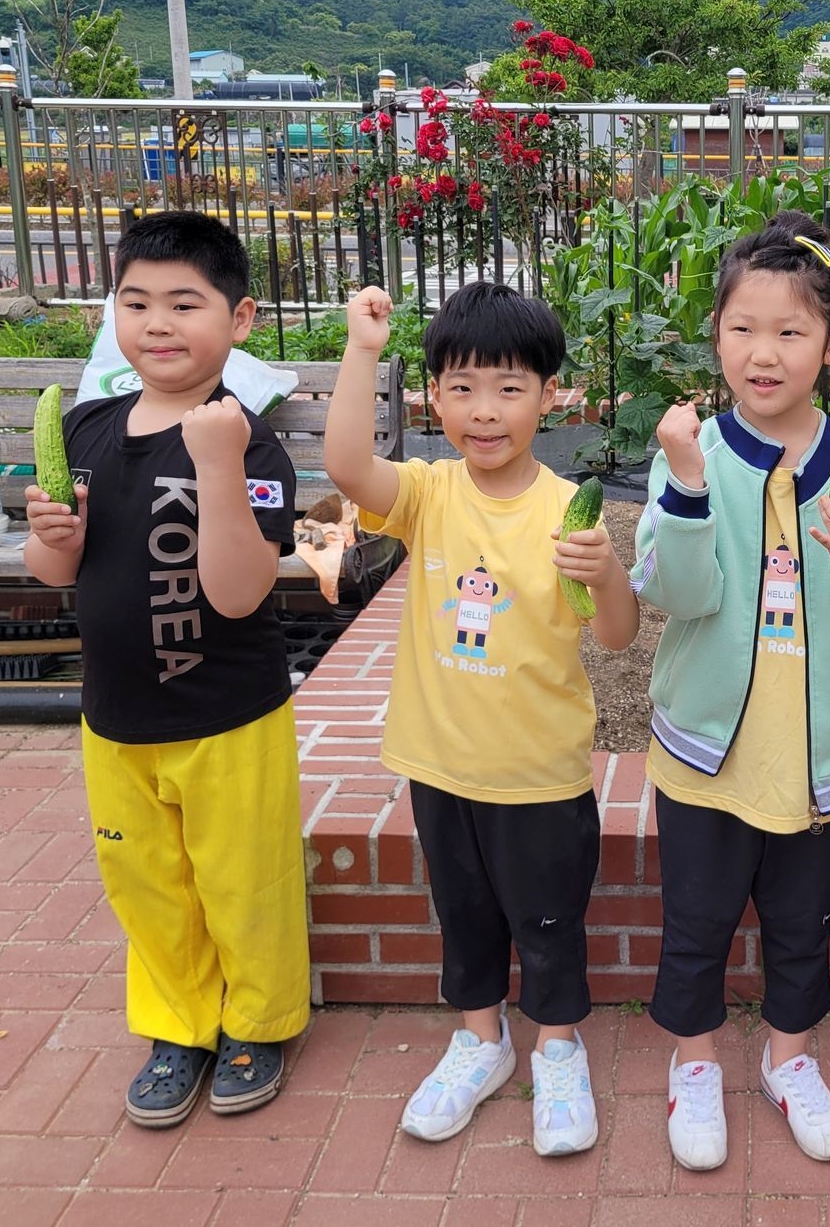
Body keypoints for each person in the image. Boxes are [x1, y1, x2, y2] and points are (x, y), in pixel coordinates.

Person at [633, 211, 830, 1171]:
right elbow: (678, 596)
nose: (764, 354)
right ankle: (695, 1064)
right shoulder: (695, 453)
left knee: (802, 927)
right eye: (743, 329)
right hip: (706, 754)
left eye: (791, 331)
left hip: (815, 761)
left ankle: (788, 1059)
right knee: (697, 924)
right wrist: (684, 488)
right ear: (716, 335)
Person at [324, 279, 639, 1157]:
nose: (485, 411)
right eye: (462, 388)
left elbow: (617, 637)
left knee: (549, 924)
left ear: (551, 395)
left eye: (509, 388)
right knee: (463, 917)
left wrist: (609, 574)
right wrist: (362, 350)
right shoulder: (427, 492)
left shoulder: (569, 511)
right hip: (441, 765)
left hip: (540, 776)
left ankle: (558, 1048)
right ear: (434, 398)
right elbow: (346, 467)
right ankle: (481, 1041)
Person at [25, 210, 309, 1128]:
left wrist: (216, 466)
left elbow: (237, 591)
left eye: (185, 303)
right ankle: (178, 1025)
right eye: (135, 301)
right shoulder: (86, 428)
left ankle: (258, 1023)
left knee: (245, 881)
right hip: (116, 717)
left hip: (229, 716)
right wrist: (50, 536)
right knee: (146, 882)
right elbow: (54, 573)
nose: (157, 323)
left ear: (240, 318)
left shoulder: (251, 446)